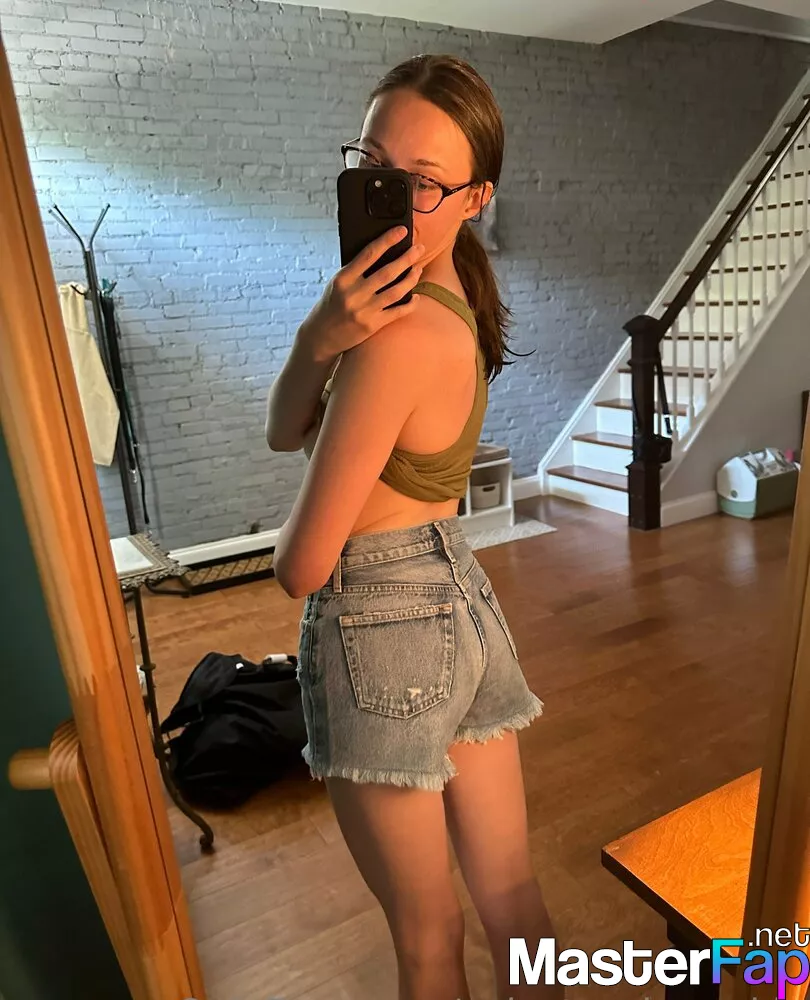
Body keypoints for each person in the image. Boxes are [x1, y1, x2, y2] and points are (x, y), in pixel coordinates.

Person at [265, 54, 560, 1000]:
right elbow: (285, 429)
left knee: (428, 937)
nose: (387, 195)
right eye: (373, 164)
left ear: (476, 199)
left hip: (379, 625)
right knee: (511, 895)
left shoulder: (394, 337)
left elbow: (302, 565)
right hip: (459, 600)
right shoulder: (448, 289)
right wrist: (319, 336)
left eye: (423, 182)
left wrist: (339, 351)